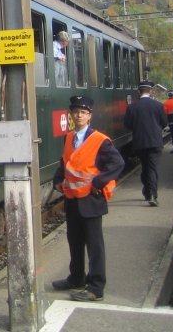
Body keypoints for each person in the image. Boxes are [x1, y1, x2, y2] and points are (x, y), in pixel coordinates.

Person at [52, 95, 125, 302]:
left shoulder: (100, 140)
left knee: (94, 246)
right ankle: (76, 278)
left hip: (91, 201)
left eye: (83, 112)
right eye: (75, 112)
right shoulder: (68, 138)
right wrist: (58, 181)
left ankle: (96, 287)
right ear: (72, 115)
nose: (79, 115)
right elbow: (64, 163)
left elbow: (117, 164)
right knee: (74, 242)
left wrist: (98, 183)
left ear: (89, 116)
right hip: (73, 199)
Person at [124, 80, 168, 206]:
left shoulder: (132, 107)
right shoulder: (158, 105)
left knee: (145, 167)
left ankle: (147, 192)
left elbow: (127, 125)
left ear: (139, 92)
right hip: (155, 142)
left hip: (139, 143)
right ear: (151, 91)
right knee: (152, 169)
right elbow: (164, 123)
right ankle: (152, 195)